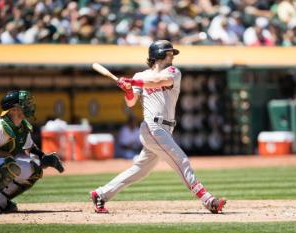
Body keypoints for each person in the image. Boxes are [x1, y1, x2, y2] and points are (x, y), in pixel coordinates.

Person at [90, 40, 226, 214]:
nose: (172, 56)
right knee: (181, 160)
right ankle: (208, 200)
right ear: (158, 55)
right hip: (152, 127)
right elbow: (131, 103)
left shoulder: (173, 72)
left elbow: (159, 80)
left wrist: (132, 82)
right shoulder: (140, 76)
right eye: (169, 53)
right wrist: (129, 90)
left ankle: (101, 194)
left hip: (166, 129)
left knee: (140, 170)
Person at [0, 90, 64, 214]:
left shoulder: (22, 127)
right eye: (24, 104)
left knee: (34, 170)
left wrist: (44, 158)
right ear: (13, 110)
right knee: (11, 166)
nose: (28, 106)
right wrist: (7, 155)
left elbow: (30, 148)